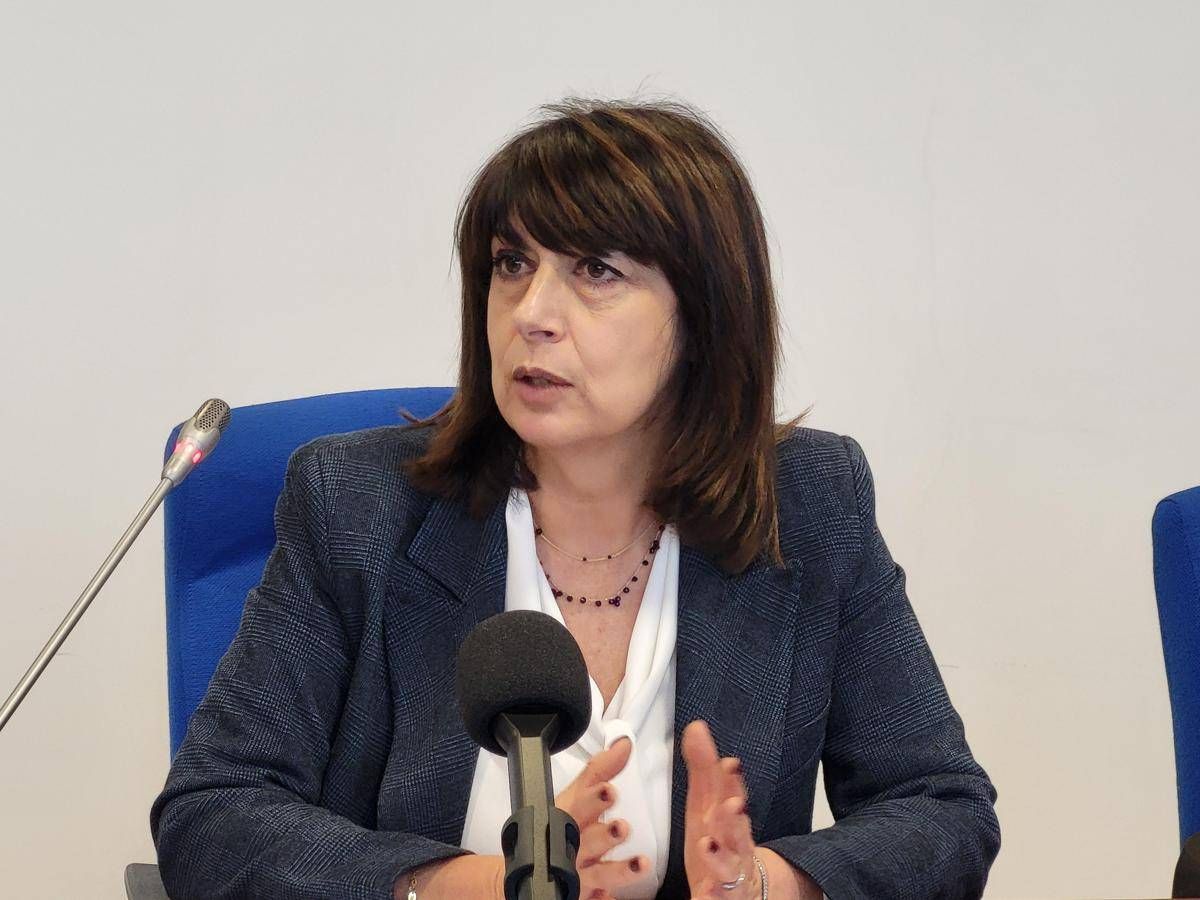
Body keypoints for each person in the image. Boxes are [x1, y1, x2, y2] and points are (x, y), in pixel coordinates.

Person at [150, 96, 1000, 899]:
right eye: (511, 265)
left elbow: (941, 810)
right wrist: (482, 886)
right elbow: (213, 813)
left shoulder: (810, 507)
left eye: (595, 270)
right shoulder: (356, 507)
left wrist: (763, 883)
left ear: (703, 318)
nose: (532, 313)